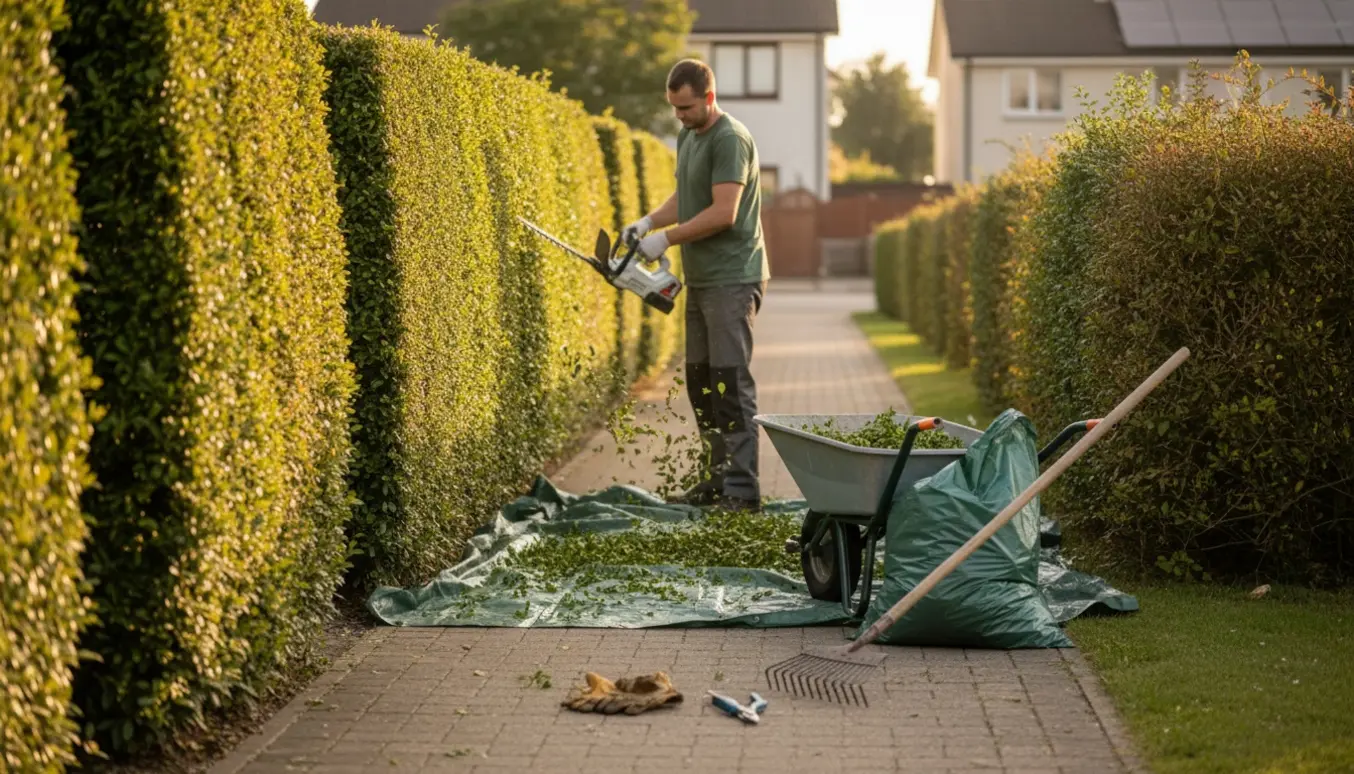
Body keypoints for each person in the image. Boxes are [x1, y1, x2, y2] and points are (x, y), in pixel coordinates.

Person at [624, 58, 770, 512]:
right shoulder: (690, 135)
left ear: (708, 97)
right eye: (674, 108)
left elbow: (723, 212)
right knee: (701, 383)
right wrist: (649, 221)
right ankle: (716, 481)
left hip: (733, 278)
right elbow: (687, 197)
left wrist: (664, 239)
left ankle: (743, 491)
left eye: (685, 108)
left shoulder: (730, 139)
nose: (679, 117)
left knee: (729, 384)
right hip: (702, 279)